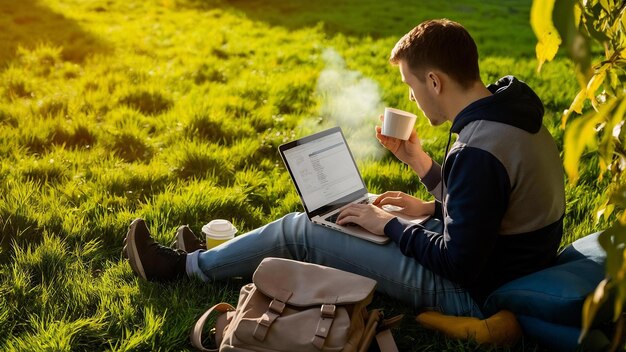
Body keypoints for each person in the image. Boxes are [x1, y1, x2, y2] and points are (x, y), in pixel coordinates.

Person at [123, 19, 564, 343]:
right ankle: (211, 256)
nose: (410, 96)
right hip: (508, 263)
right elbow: (491, 205)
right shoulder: (512, 113)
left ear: (435, 80)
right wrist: (424, 181)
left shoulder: (476, 149)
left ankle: (182, 267)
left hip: (474, 290)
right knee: (365, 210)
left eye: (411, 85)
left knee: (303, 229)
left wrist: (388, 227)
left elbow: (459, 262)